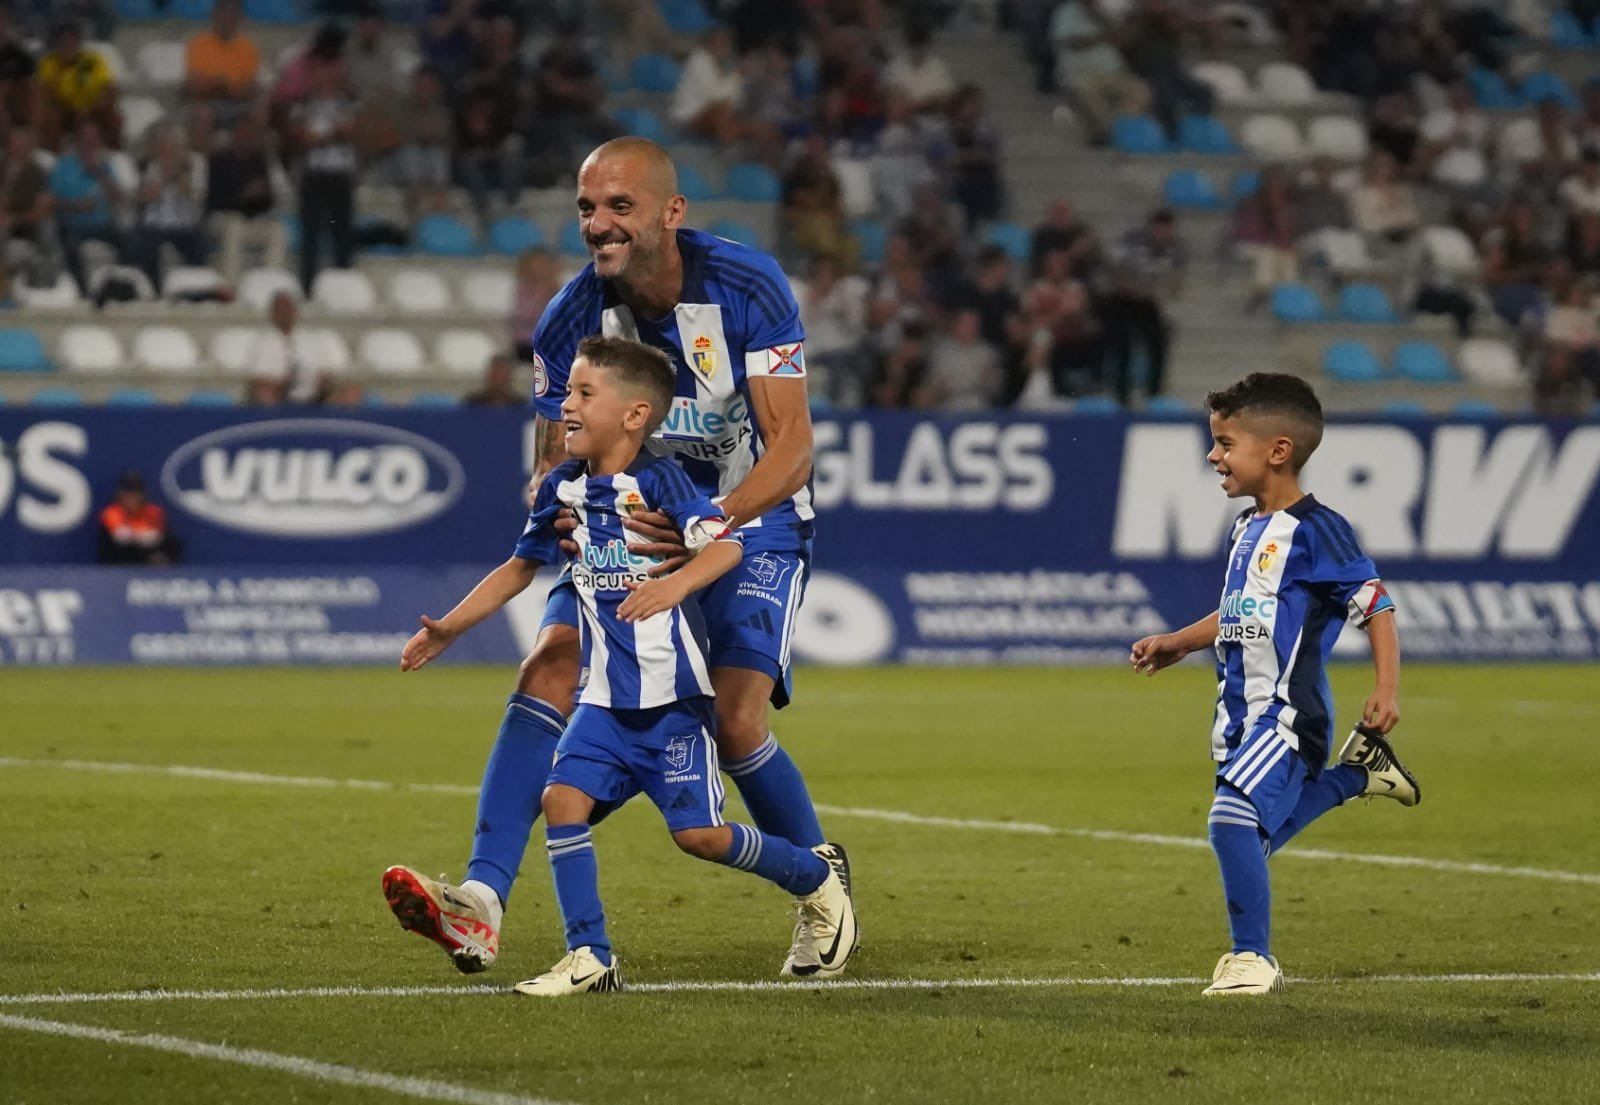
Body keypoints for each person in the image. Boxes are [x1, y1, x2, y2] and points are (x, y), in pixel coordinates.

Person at [380, 137, 855, 981]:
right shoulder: (566, 320)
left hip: (750, 517)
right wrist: (549, 507)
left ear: (673, 213)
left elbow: (793, 446)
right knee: (548, 662)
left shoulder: (749, 285)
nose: (598, 225)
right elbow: (548, 459)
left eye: (619, 207)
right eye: (587, 209)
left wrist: (709, 527)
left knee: (738, 719)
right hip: (626, 526)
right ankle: (483, 903)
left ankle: (820, 881)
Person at [1129, 373, 1420, 996]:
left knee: (1229, 821)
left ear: (1278, 451)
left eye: (1226, 443)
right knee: (1252, 836)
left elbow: (1376, 605)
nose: (1213, 456)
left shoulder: (1318, 529)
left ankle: (1251, 960)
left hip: (1287, 714)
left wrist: (1386, 689)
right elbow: (1239, 610)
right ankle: (1357, 774)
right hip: (1237, 712)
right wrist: (1179, 640)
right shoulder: (1245, 529)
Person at [206, 110, 287, 285]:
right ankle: (231, 284)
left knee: (277, 230)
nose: (247, 135)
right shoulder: (219, 160)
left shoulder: (259, 161)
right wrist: (241, 196)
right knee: (233, 227)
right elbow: (213, 200)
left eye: (250, 131)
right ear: (234, 132)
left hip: (251, 218)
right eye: (243, 130)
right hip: (221, 218)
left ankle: (268, 282)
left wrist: (260, 195)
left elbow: (268, 202)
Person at [35, 20, 120, 150]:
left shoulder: (93, 61)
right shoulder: (49, 63)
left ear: (79, 43)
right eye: (63, 42)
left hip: (93, 109)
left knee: (115, 117)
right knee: (51, 117)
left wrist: (92, 108)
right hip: (64, 110)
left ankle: (115, 156)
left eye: (72, 42)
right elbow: (46, 92)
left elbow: (109, 89)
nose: (68, 46)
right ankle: (53, 156)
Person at [244, 290, 339, 405]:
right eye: (280, 308)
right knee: (263, 393)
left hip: (313, 395)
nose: (284, 312)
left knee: (351, 393)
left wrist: (316, 382)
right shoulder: (262, 342)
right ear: (273, 313)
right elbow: (256, 379)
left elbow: (326, 374)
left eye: (288, 307)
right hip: (278, 396)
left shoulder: (312, 339)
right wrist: (282, 383)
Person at [183, 0, 259, 121]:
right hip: (206, 103)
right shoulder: (198, 45)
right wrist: (220, 85)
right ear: (214, 15)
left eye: (233, 14)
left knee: (258, 113)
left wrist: (227, 87)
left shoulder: (248, 48)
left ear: (240, 18)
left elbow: (250, 87)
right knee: (202, 114)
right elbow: (194, 85)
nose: (227, 19)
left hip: (238, 104)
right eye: (223, 14)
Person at [97, 470, 181, 565]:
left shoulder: (154, 511)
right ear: (120, 494)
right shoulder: (111, 512)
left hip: (147, 557)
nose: (132, 497)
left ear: (143, 494)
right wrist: (143, 535)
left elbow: (157, 537)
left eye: (136, 492)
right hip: (122, 558)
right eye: (128, 492)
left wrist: (138, 536)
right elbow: (121, 537)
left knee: (171, 544)